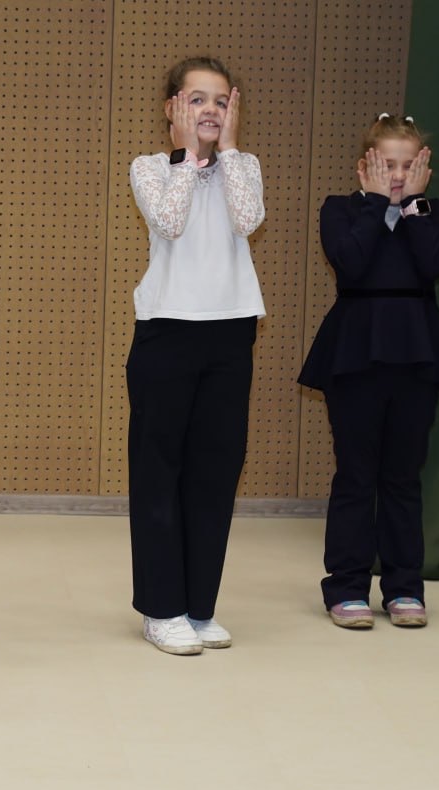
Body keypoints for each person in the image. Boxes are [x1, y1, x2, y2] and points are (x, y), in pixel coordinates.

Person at [127, 57, 265, 656]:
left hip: (231, 332)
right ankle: (163, 607)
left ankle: (200, 607)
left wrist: (228, 151)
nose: (209, 111)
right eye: (196, 100)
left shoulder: (247, 166)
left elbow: (248, 218)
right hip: (167, 331)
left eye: (219, 101)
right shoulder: (151, 167)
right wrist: (189, 156)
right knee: (160, 470)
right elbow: (169, 220)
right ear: (172, 108)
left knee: (215, 470)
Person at [299, 113, 439, 629]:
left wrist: (411, 207)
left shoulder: (432, 212)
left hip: (416, 353)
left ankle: (404, 588)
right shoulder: (340, 210)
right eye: (387, 164)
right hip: (356, 353)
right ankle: (346, 588)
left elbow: (434, 263)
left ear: (424, 169)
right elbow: (350, 262)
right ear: (364, 165)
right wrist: (373, 206)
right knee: (355, 475)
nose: (397, 174)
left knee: (401, 476)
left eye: (408, 165)